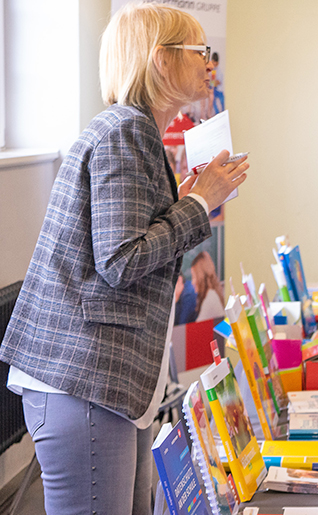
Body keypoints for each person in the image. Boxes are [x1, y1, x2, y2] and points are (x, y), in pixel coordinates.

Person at [0, 4, 249, 514]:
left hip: (109, 386)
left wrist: (183, 199)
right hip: (87, 383)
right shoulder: (126, 132)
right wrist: (200, 203)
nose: (210, 63)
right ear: (161, 60)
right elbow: (121, 260)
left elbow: (124, 240)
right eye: (200, 52)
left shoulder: (134, 132)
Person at [192, 250, 226, 321]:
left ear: (200, 277)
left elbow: (198, 327)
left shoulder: (210, 299)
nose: (192, 282)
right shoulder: (211, 294)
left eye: (194, 277)